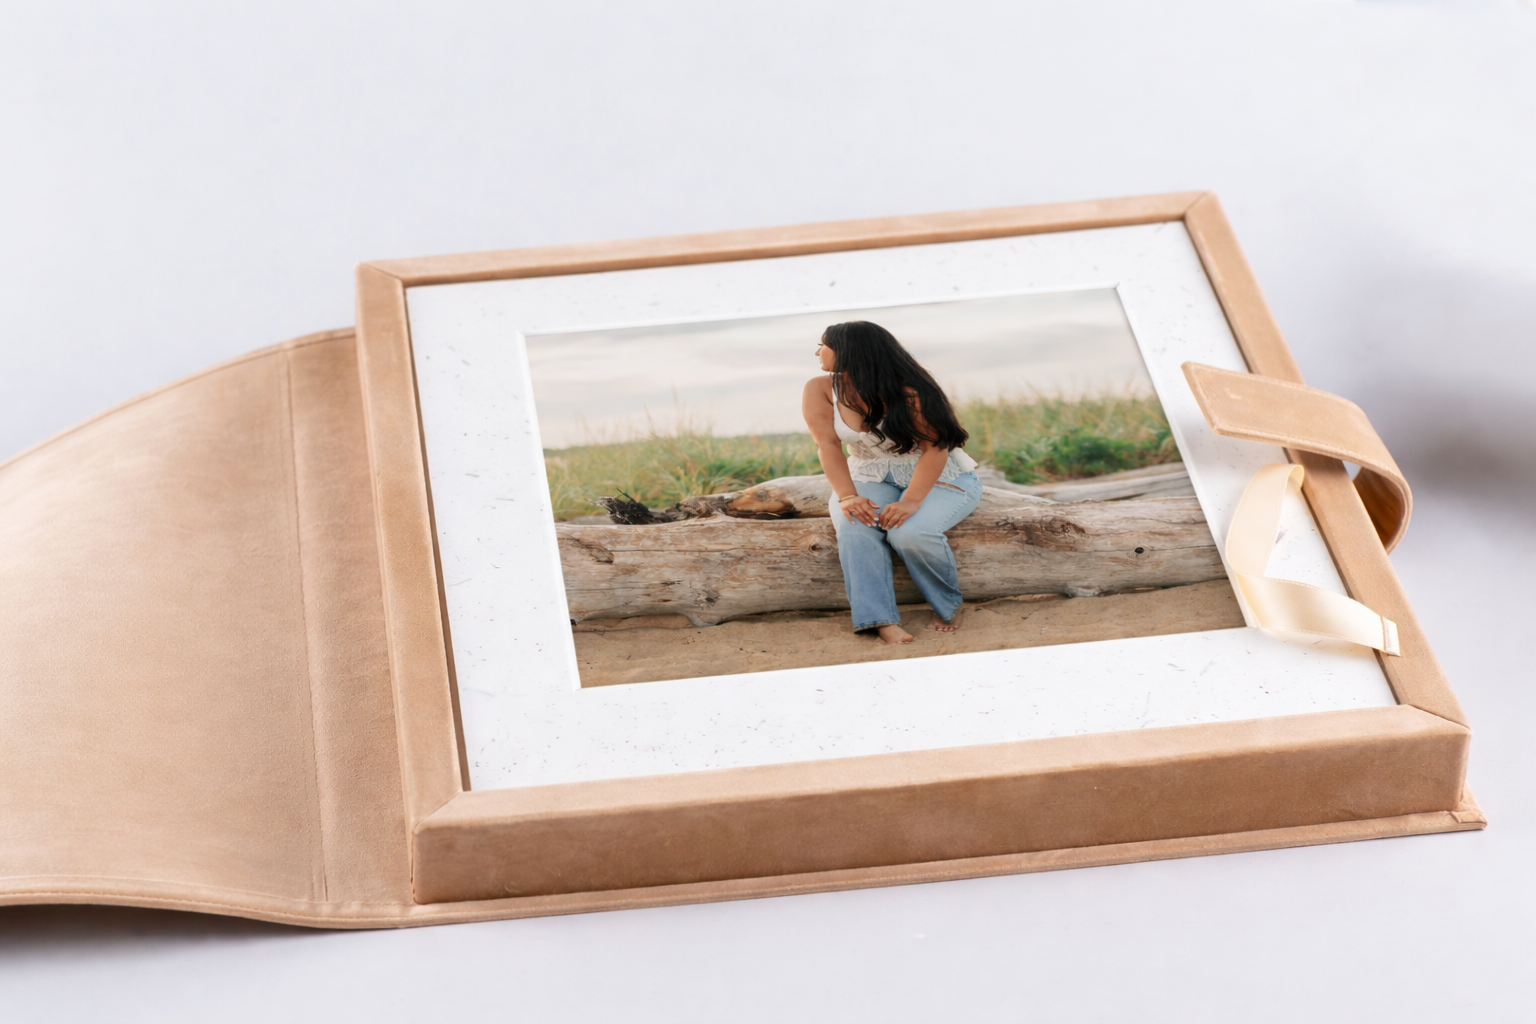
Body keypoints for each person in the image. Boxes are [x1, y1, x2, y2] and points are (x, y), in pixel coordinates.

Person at [801, 321, 982, 645]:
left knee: (910, 532)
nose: (818, 351)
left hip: (939, 474)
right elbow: (827, 445)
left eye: (823, 345)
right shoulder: (818, 388)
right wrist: (846, 496)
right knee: (855, 528)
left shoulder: (910, 388)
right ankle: (880, 620)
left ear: (849, 351)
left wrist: (910, 502)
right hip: (868, 473)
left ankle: (947, 605)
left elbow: (935, 448)